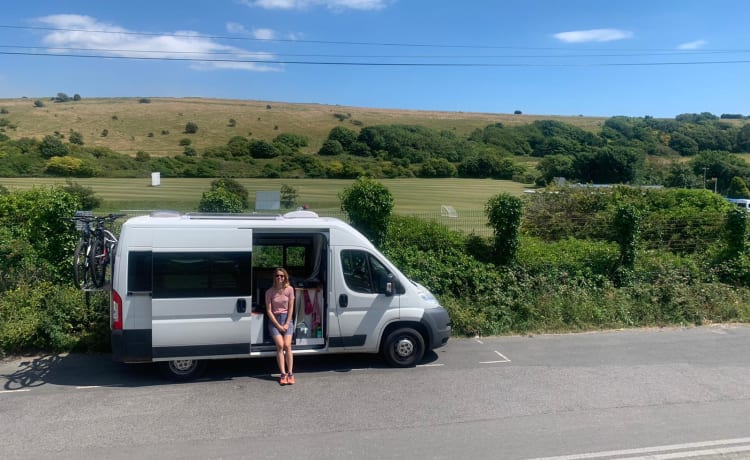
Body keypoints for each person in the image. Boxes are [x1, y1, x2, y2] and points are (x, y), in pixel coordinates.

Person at [266, 267, 295, 385]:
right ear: (274, 277)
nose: (280, 277)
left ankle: (290, 373)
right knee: (280, 345)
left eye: (282, 276)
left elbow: (291, 307)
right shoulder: (269, 292)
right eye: (277, 275)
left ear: (285, 277)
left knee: (287, 345)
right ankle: (283, 374)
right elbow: (269, 311)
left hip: (287, 318)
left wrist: (287, 323)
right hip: (274, 320)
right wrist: (278, 325)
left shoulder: (290, 290)